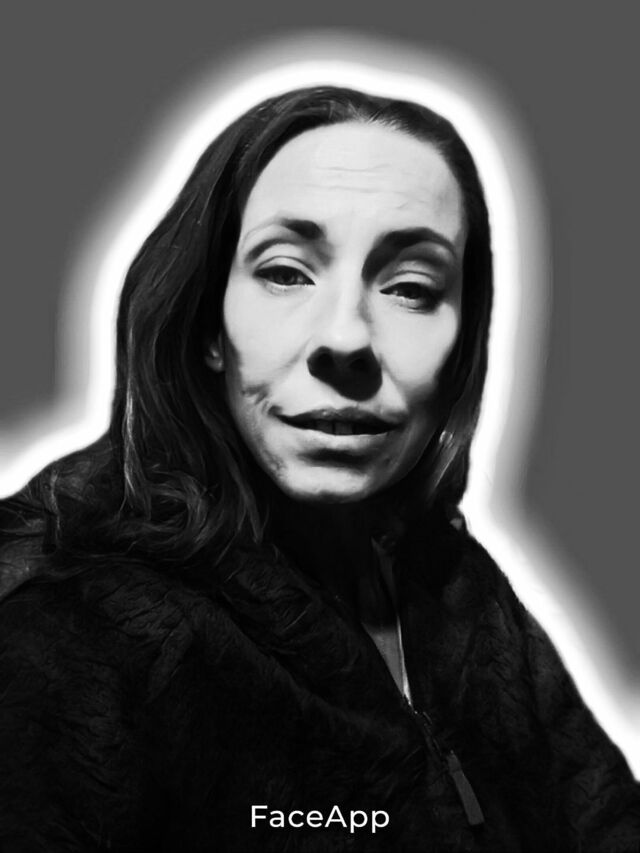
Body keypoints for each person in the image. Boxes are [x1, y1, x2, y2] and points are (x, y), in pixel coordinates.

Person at [0, 85, 638, 853]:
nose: (346, 338)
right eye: (286, 272)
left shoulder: (455, 584)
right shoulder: (69, 632)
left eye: (412, 288)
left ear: (463, 343)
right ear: (208, 326)